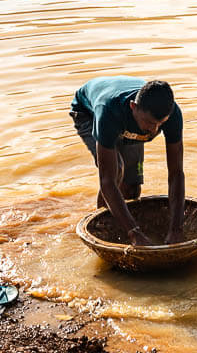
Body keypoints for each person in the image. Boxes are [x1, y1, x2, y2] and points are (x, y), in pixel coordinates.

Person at [70, 76, 185, 246]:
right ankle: (102, 229)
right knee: (116, 170)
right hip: (88, 112)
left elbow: (176, 173)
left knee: (131, 188)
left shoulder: (172, 115)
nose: (154, 130)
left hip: (130, 123)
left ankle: (125, 224)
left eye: (160, 124)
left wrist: (176, 228)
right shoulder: (108, 110)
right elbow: (107, 181)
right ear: (134, 107)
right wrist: (134, 232)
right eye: (149, 123)